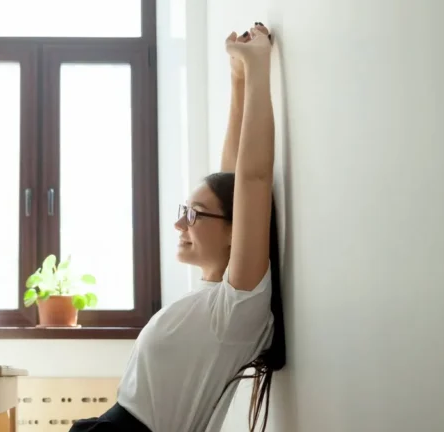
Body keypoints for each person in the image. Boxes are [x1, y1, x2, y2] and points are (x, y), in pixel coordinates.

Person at [69, 23, 286, 432]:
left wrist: (259, 66)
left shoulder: (236, 309)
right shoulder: (216, 300)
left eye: (194, 214)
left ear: (234, 230)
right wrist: (238, 79)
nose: (178, 223)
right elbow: (231, 179)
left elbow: (252, 180)